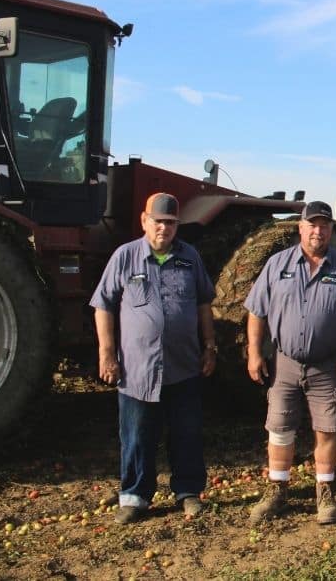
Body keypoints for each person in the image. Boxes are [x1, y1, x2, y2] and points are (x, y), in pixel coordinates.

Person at [90, 192, 216, 525]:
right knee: (136, 434)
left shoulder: (190, 258)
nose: (164, 228)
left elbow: (204, 304)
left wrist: (210, 345)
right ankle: (134, 497)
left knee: (186, 432)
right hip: (137, 367)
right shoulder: (125, 257)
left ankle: (188, 492)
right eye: (158, 221)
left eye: (171, 223)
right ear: (145, 221)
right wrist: (106, 354)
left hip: (183, 365)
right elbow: (103, 305)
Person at [245, 200, 336, 525]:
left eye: (324, 225)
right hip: (284, 363)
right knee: (280, 428)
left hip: (326, 365)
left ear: (330, 229)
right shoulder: (277, 265)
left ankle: (325, 493)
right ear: (300, 228)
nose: (318, 231)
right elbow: (257, 311)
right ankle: (277, 490)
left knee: (327, 430)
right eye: (312, 225)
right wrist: (255, 352)